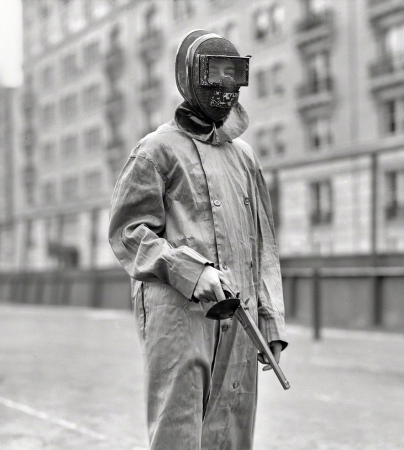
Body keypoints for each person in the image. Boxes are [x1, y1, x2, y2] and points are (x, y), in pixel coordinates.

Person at [108, 30, 288, 449]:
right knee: (179, 435)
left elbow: (263, 248)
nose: (225, 85)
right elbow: (128, 233)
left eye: (234, 73)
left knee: (231, 434)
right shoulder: (156, 152)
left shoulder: (245, 157)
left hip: (241, 323)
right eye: (215, 73)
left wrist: (270, 324)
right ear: (192, 78)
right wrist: (191, 271)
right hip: (180, 320)